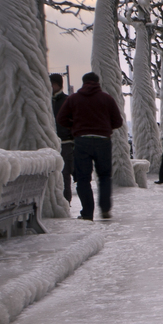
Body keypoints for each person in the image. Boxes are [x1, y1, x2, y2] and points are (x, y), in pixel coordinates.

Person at [55, 71, 123, 221]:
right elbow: (118, 122)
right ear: (97, 82)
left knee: (83, 178)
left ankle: (87, 212)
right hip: (103, 141)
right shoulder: (107, 99)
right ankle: (105, 209)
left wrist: (74, 127)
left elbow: (61, 118)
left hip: (82, 140)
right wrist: (105, 127)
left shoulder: (74, 98)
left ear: (83, 82)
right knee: (105, 176)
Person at [51, 73, 73, 202]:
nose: (51, 86)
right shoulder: (46, 100)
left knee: (65, 173)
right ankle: (56, 200)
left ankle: (66, 200)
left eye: (53, 84)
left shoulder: (67, 100)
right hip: (51, 142)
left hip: (65, 142)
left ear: (59, 85)